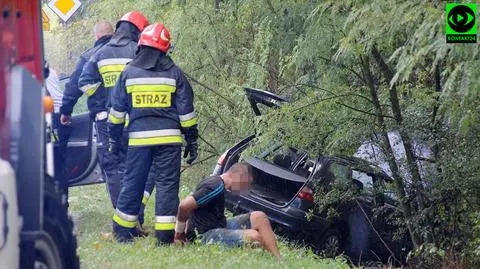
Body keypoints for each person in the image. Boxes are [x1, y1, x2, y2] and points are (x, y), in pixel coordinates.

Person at [108, 23, 198, 244]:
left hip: (138, 141)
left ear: (141, 45)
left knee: (133, 182)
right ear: (165, 49)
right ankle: (164, 237)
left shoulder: (128, 73)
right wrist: (191, 140)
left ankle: (122, 232)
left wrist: (114, 138)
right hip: (169, 142)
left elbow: (116, 112)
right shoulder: (175, 73)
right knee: (167, 185)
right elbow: (187, 112)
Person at [78, 12, 149, 209]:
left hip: (108, 121)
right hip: (135, 120)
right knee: (135, 167)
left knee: (113, 167)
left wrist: (102, 101)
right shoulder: (140, 52)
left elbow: (84, 82)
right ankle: (135, 215)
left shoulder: (99, 54)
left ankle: (121, 215)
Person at [173, 162, 281, 259]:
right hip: (205, 234)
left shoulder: (219, 184)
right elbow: (184, 206)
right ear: (240, 175)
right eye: (247, 183)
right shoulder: (215, 186)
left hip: (220, 225)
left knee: (259, 217)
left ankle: (279, 263)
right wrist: (179, 233)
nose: (246, 187)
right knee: (253, 237)